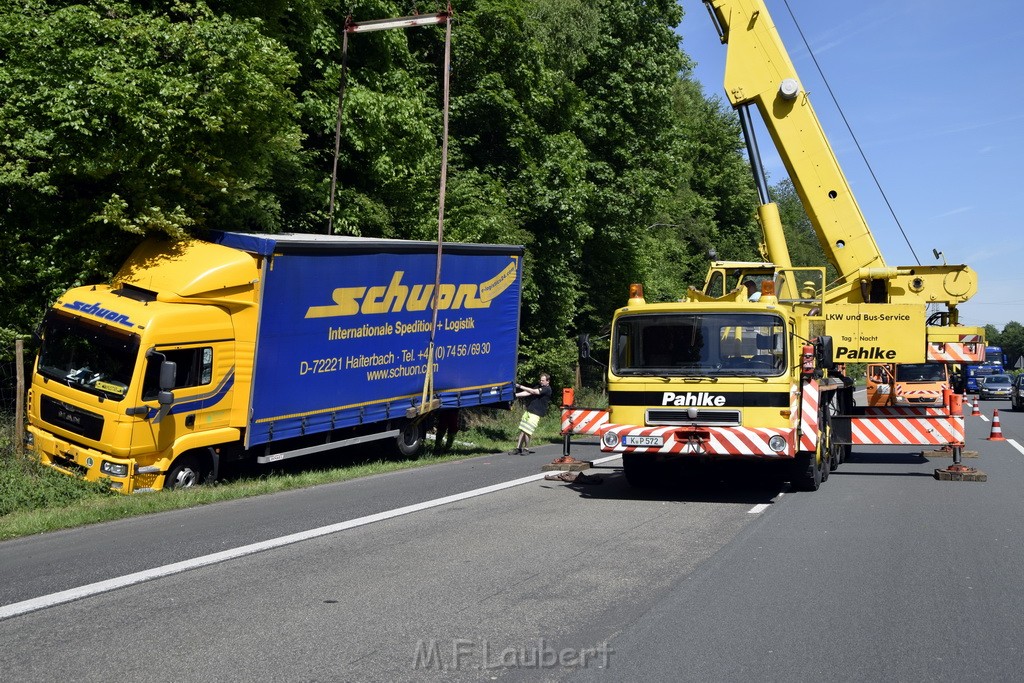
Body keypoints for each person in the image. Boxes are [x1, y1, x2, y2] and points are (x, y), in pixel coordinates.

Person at [512, 373, 552, 455]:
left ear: (548, 381)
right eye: (540, 380)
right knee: (523, 430)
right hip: (529, 411)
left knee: (527, 431)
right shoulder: (539, 386)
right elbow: (528, 392)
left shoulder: (547, 389)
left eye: (543, 380)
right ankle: (518, 448)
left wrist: (519, 386)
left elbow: (534, 391)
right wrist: (515, 395)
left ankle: (526, 449)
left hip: (536, 413)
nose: (541, 382)